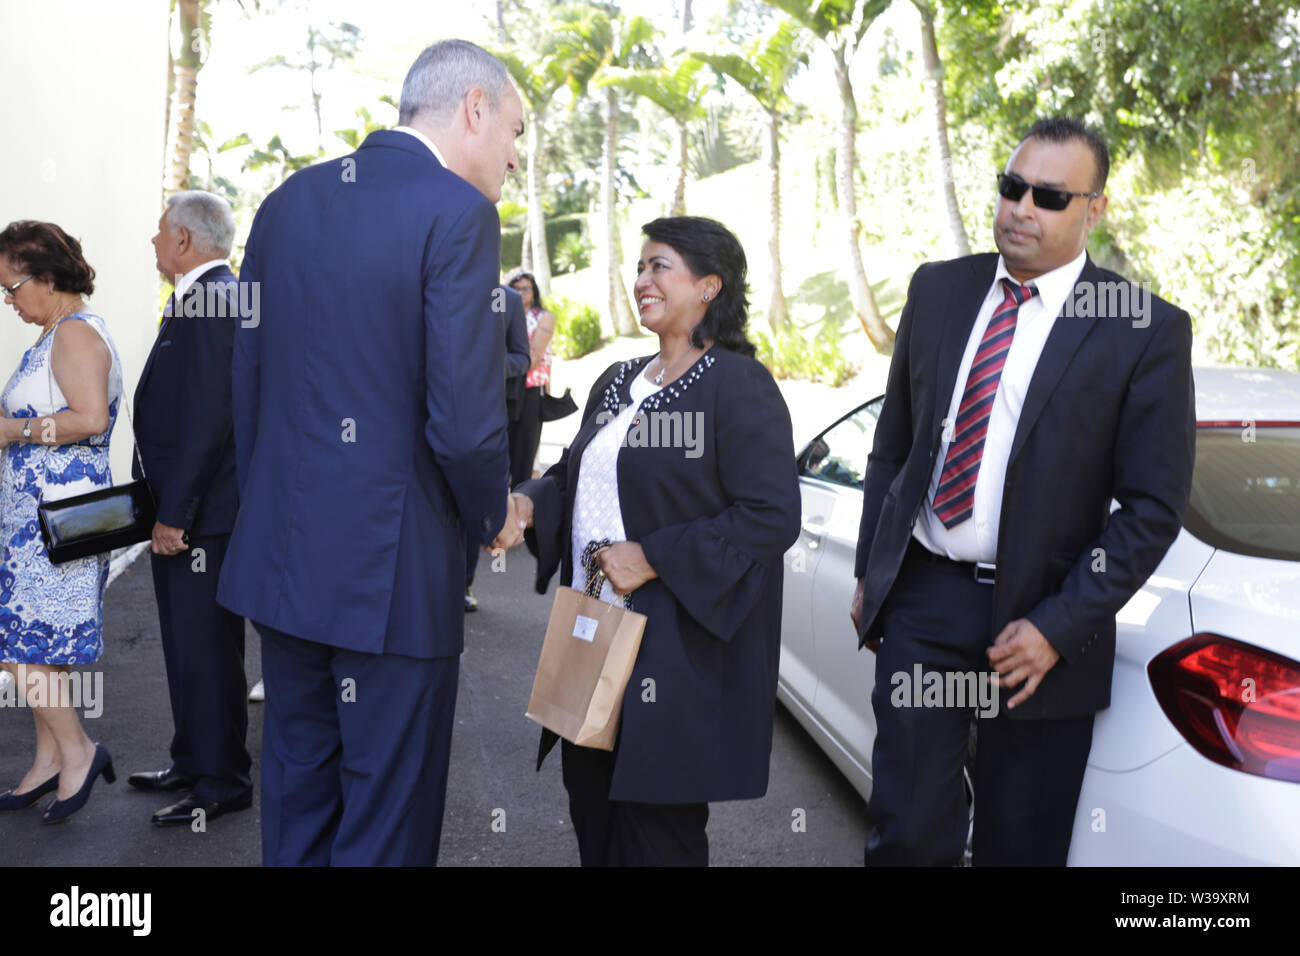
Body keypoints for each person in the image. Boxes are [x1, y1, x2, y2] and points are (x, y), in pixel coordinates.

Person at [849, 117, 1196, 866]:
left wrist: (1057, 626)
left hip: (1046, 623)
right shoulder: (939, 289)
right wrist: (869, 572)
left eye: (1048, 196)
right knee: (907, 834)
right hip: (927, 606)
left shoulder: (1143, 329)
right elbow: (895, 446)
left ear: (1093, 209)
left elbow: (1152, 510)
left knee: (1020, 845)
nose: (1021, 208)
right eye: (1012, 187)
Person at [215, 39, 523, 866]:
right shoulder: (457, 214)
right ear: (474, 108)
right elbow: (462, 423)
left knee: (298, 791)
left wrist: (271, 509)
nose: (514, 158)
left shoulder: (285, 203)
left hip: (286, 566)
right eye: (514, 133)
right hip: (391, 577)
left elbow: (249, 387)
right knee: (386, 814)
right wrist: (494, 514)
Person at [505, 216, 801, 866]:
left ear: (709, 286)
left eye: (660, 266)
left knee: (654, 834)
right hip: (591, 633)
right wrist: (530, 501)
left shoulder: (737, 385)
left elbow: (772, 515)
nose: (642, 279)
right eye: (639, 267)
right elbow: (574, 472)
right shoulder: (617, 380)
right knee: (591, 808)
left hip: (670, 651)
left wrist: (654, 556)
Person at [126, 191, 251, 827]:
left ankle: (223, 780)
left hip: (202, 516)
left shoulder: (213, 300)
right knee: (185, 646)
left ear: (183, 241)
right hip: (193, 510)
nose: (152, 242)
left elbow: (210, 419)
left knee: (206, 650)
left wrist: (175, 513)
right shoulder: (206, 297)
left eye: (158, 232)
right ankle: (193, 759)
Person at [0, 221, 123, 823]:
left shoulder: (73, 334)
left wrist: (12, 430)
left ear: (46, 277)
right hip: (38, 523)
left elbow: (91, 419)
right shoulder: (56, 330)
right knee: (37, 649)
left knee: (19, 647)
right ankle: (49, 761)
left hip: (56, 524)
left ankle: (79, 752)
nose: (9, 300)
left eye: (13, 286)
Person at [465, 282, 529, 612]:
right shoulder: (437, 286)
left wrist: (490, 366)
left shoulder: (510, 300)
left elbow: (523, 358)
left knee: (474, 497)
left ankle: (464, 584)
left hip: (488, 414)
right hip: (430, 415)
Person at [504, 269, 555, 488]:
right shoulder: (502, 315)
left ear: (534, 291)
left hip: (530, 389)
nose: (521, 293)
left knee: (524, 454)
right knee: (502, 450)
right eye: (516, 289)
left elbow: (532, 357)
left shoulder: (543, 317)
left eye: (526, 288)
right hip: (503, 389)